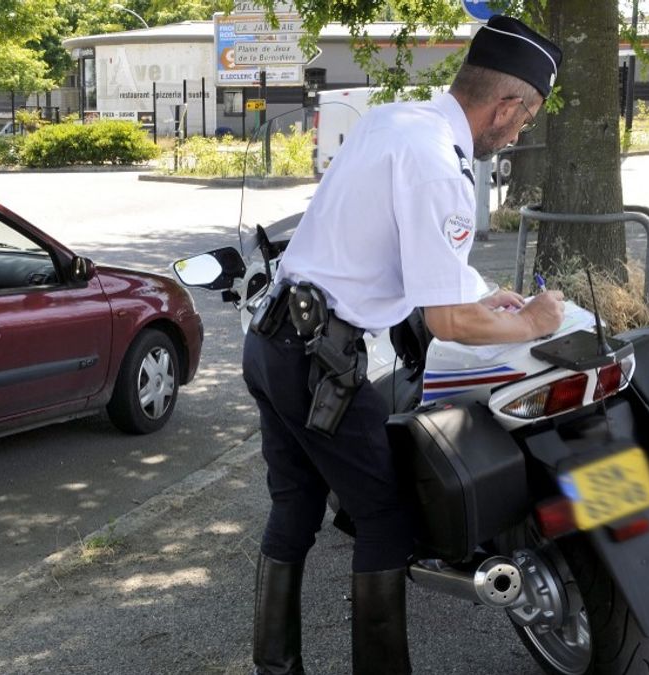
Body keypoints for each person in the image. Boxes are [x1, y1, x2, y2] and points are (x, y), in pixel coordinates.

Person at [242, 15, 566, 675]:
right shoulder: (440, 167)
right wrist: (532, 322)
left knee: (295, 506)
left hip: (272, 341)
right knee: (385, 519)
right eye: (525, 118)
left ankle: (274, 666)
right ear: (508, 103)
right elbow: (447, 322)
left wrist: (479, 294)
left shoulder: (395, 120)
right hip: (321, 366)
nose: (519, 132)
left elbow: (389, 248)